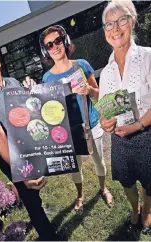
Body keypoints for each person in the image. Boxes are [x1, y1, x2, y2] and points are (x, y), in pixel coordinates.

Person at [0, 45, 58, 240]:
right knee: (32, 201)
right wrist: (23, 170)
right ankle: (49, 236)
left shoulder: (13, 83)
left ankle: (31, 201)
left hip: (27, 146)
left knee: (35, 193)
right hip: (9, 157)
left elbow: (28, 112)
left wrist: (32, 91)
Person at [39, 25, 113, 213]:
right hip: (68, 130)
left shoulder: (81, 64)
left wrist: (89, 91)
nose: (54, 47)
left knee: (99, 161)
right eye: (49, 45)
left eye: (57, 41)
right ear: (46, 50)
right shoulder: (47, 78)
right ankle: (80, 195)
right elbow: (49, 108)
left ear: (65, 41)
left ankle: (103, 188)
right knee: (74, 167)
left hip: (92, 123)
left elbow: (99, 94)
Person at [99, 0, 151, 234]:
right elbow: (104, 111)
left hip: (147, 134)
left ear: (132, 21)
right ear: (104, 31)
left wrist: (137, 125)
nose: (115, 28)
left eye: (122, 20)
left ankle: (148, 211)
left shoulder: (148, 57)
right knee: (126, 182)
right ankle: (135, 208)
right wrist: (105, 123)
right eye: (109, 24)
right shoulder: (106, 71)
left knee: (149, 183)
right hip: (119, 140)